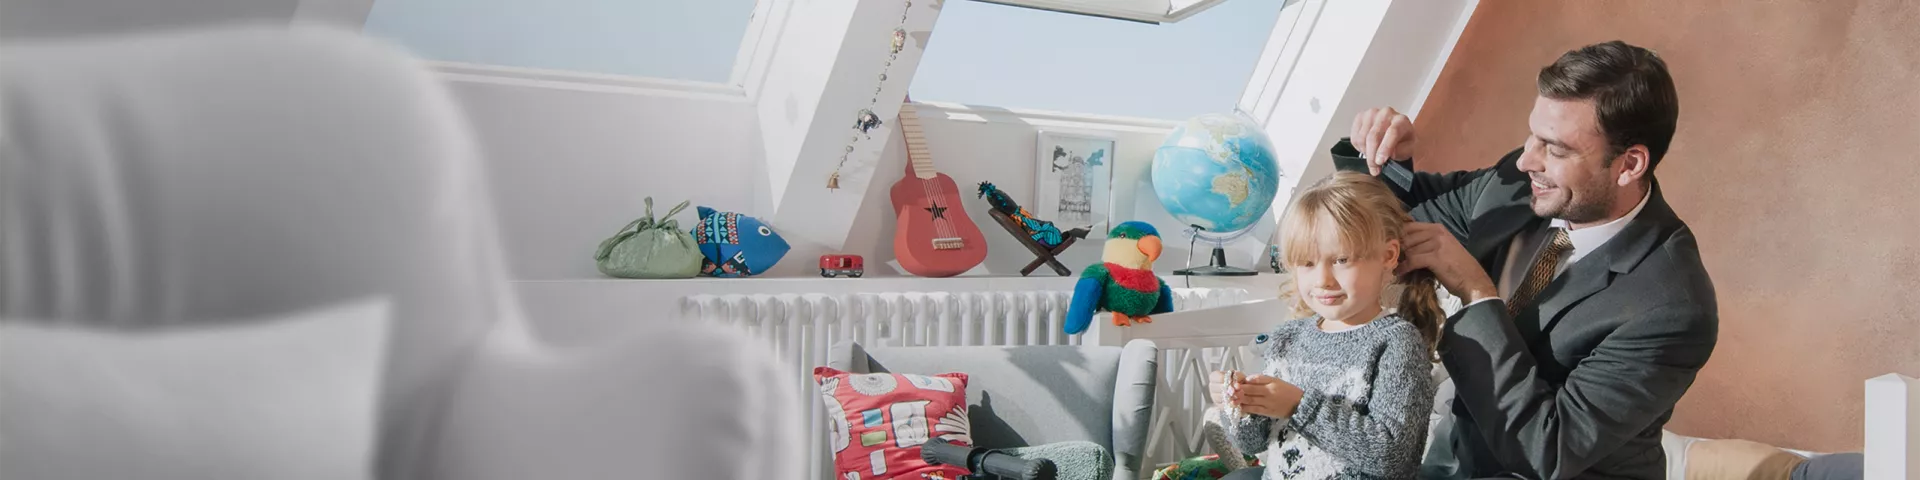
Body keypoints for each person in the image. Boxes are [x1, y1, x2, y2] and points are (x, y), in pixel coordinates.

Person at [1341, 40, 1718, 479]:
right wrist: (1387, 158)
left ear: (1629, 165)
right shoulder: (1525, 182)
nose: (1525, 159)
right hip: (1456, 455)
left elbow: (1547, 450)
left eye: (1556, 149)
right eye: (1532, 134)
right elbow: (1409, 216)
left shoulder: (1674, 307)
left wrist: (1476, 292)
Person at [1207, 172, 1443, 479]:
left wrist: (1299, 406)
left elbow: (1392, 456)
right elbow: (1252, 443)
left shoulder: (1396, 342)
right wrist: (1238, 403)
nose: (1323, 280)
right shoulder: (1286, 338)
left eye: (1342, 259)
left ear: (1388, 256)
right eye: (1307, 263)